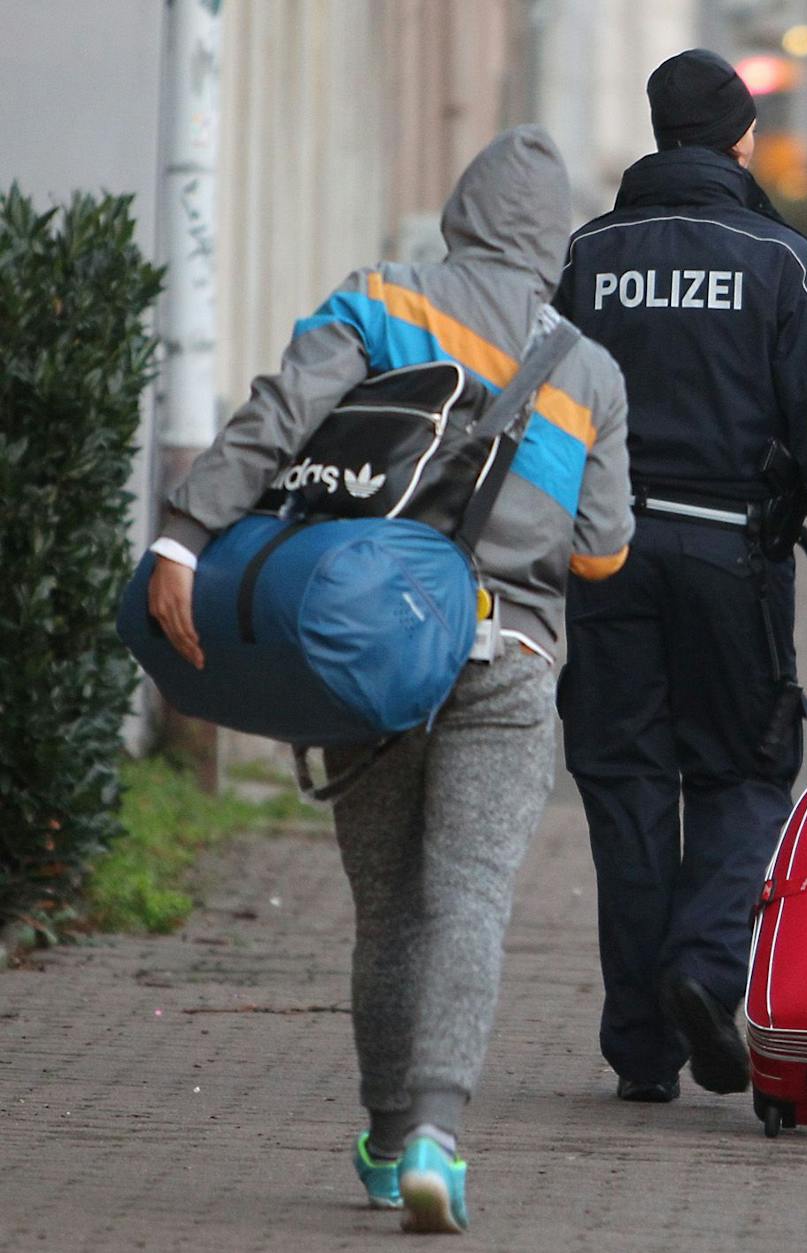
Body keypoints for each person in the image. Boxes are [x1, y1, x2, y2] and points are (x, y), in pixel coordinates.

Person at [143, 127, 632, 1234]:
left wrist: (183, 535)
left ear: (460, 210)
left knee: (389, 911)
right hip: (506, 658)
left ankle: (377, 1131)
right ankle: (435, 1138)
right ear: (554, 242)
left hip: (363, 649)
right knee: (467, 896)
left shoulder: (378, 296)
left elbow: (276, 418)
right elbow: (602, 551)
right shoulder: (589, 370)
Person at [553, 48, 807, 1105]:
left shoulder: (589, 254)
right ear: (739, 138)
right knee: (743, 773)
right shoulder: (776, 258)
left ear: (657, 131)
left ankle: (639, 1046)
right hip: (731, 556)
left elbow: (545, 408)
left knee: (626, 787)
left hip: (606, 554)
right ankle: (704, 967)